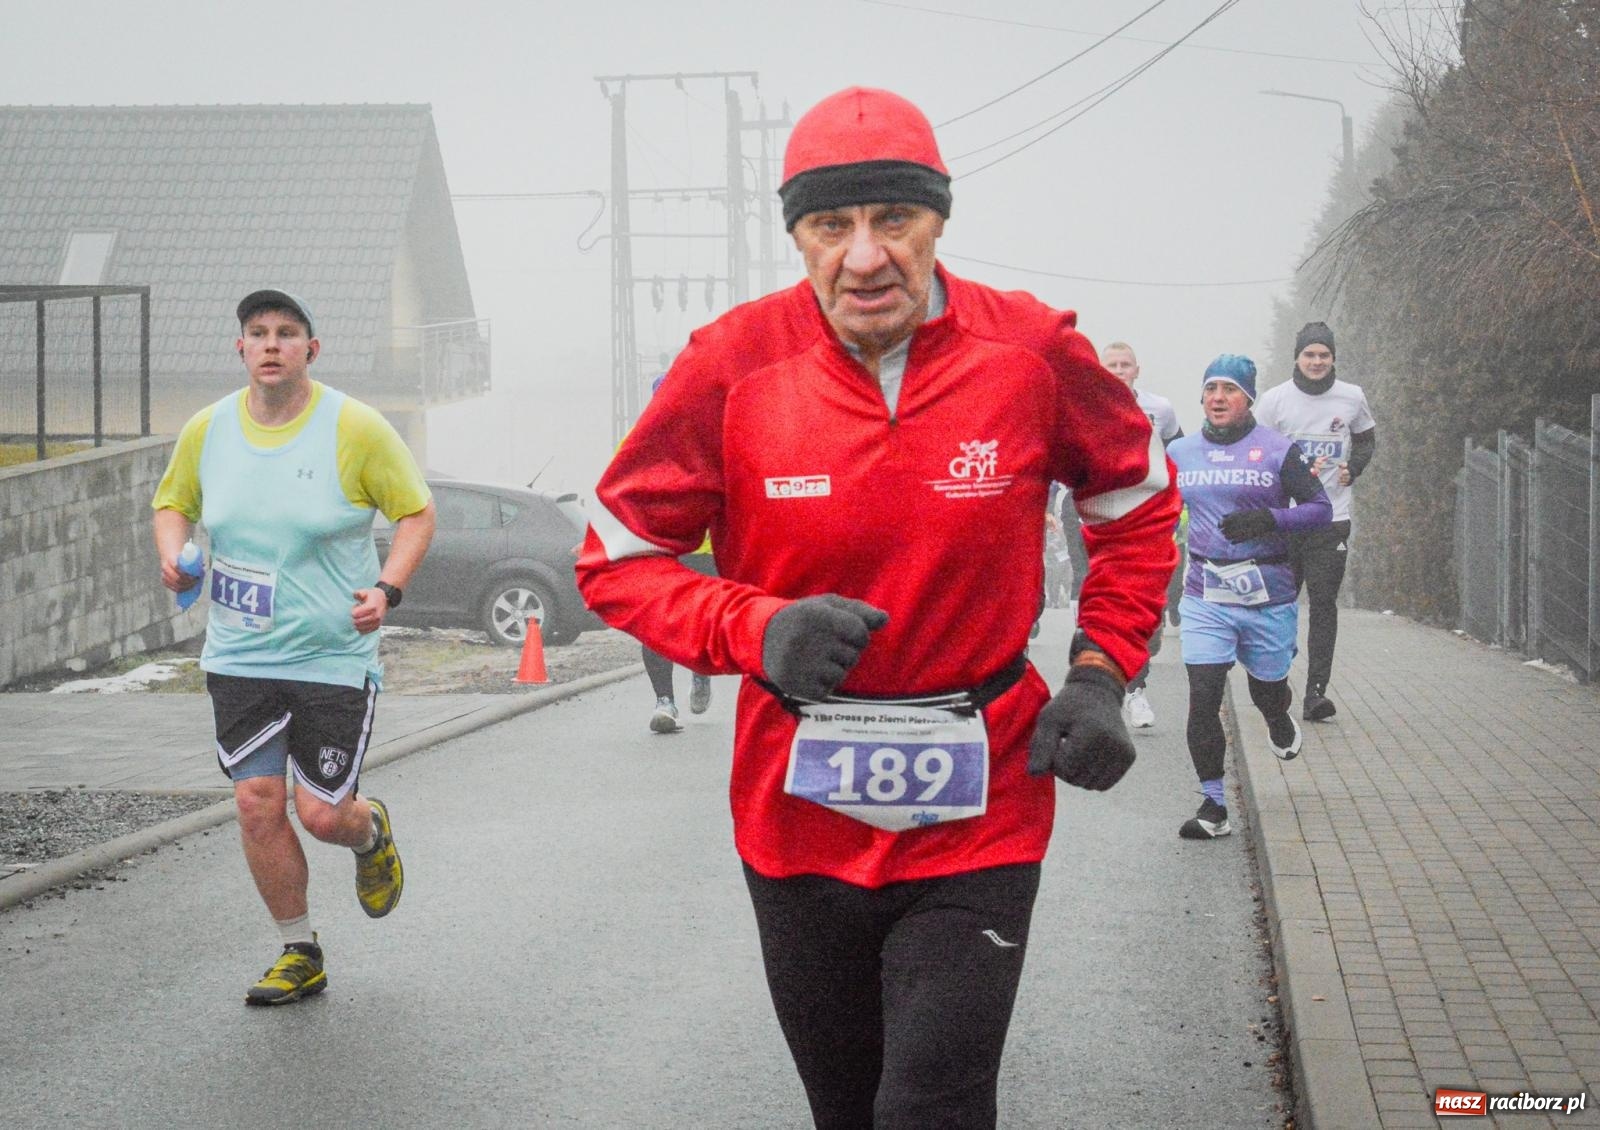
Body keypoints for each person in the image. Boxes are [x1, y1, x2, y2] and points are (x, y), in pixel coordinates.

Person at [576, 87, 1179, 1127]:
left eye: (892, 219)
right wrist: (757, 627)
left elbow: (1135, 507)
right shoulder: (732, 364)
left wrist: (1097, 671)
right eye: (830, 225)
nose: (864, 256)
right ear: (799, 236)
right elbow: (619, 555)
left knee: (930, 1105)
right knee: (848, 1109)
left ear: (938, 221)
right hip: (795, 815)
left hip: (979, 804)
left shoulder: (1029, 350)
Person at [151, 289, 436, 1005]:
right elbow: (172, 501)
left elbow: (416, 512)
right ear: (240, 349)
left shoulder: (355, 428)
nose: (271, 344)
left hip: (331, 655)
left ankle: (369, 835)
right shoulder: (207, 429)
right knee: (256, 801)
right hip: (240, 654)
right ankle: (298, 948)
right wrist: (173, 550)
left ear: (312, 349)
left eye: (286, 333)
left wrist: (387, 589)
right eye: (257, 333)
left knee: (321, 813)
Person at [1167, 354, 1331, 840]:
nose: (1218, 397)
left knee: (1266, 693)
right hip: (1205, 592)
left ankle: (1278, 718)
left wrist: (1271, 520)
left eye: (1230, 390)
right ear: (1201, 396)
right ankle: (1213, 805)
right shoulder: (1180, 453)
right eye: (1211, 388)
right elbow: (1159, 514)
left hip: (1268, 592)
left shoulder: (1280, 450)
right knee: (1202, 695)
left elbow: (1320, 509)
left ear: (1249, 398)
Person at [1252, 321, 1376, 722]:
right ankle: (1276, 683)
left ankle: (1316, 694)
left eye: (1324, 355)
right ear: (1297, 358)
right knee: (1280, 606)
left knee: (1324, 603)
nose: (1317, 361)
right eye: (1310, 354)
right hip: (1287, 520)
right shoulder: (1275, 401)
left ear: (1333, 358)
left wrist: (1353, 468)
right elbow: (1256, 451)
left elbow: (1367, 437)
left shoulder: (1352, 397)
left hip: (1332, 518)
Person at [1099, 341, 1185, 728]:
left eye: (1125, 364)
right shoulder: (1085, 403)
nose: (1119, 370)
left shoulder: (1160, 409)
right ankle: (1113, 686)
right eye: (1112, 364)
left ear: (1137, 369)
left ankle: (1135, 688)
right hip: (1100, 518)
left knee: (1148, 609)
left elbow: (1181, 455)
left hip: (1148, 518)